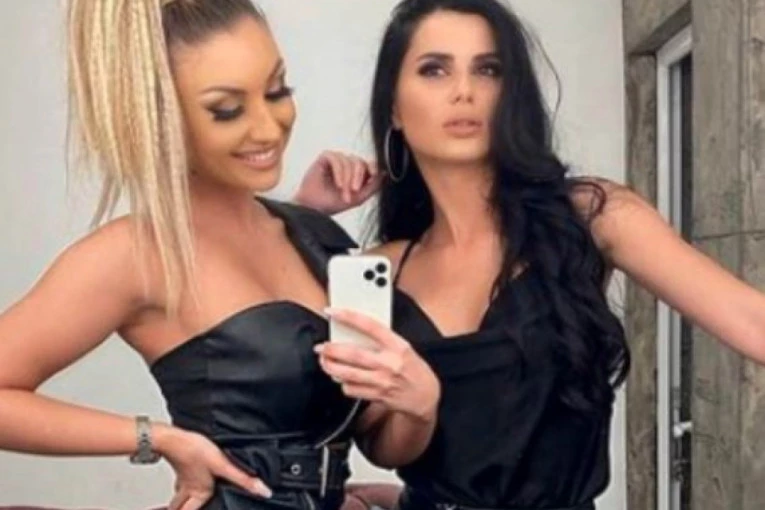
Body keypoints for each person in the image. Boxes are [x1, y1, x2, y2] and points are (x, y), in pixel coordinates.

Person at [316, 1, 765, 509]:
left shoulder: (587, 215)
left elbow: (751, 319)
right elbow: (380, 445)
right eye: (434, 69)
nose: (464, 91)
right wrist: (305, 210)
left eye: (488, 69)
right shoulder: (382, 270)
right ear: (395, 106)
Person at [0, 1, 439, 509]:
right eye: (227, 109)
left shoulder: (315, 238)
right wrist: (157, 438)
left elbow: (378, 442)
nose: (269, 128)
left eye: (277, 91)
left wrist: (422, 405)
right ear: (159, 119)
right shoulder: (137, 254)